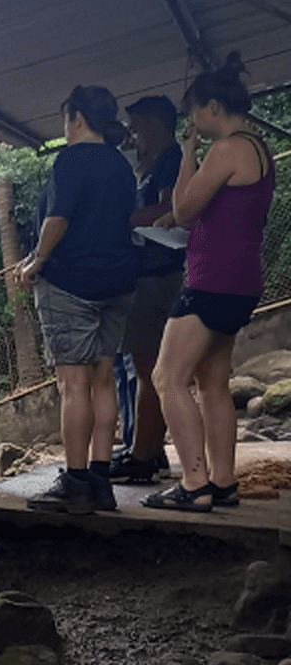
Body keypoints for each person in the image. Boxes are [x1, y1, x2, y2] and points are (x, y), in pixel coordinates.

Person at [144, 53, 275, 512]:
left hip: (212, 279)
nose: (192, 121)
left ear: (213, 107)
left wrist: (187, 153)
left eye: (194, 112)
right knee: (212, 381)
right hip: (241, 279)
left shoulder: (227, 148)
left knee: (167, 377)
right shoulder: (257, 147)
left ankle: (194, 483)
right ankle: (223, 481)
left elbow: (184, 209)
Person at [15, 85, 139, 515]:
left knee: (73, 385)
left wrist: (36, 261)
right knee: (104, 380)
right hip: (118, 282)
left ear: (78, 118)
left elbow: (59, 216)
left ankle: (74, 481)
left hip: (71, 283)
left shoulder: (71, 159)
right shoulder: (122, 165)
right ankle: (100, 482)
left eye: (65, 118)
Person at [110, 95, 185, 483]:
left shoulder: (172, 159)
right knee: (149, 367)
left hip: (155, 274)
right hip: (152, 272)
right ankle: (149, 450)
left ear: (155, 124)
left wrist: (119, 220)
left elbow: (168, 209)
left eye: (138, 127)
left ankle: (142, 455)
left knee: (148, 368)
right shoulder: (153, 164)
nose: (135, 135)